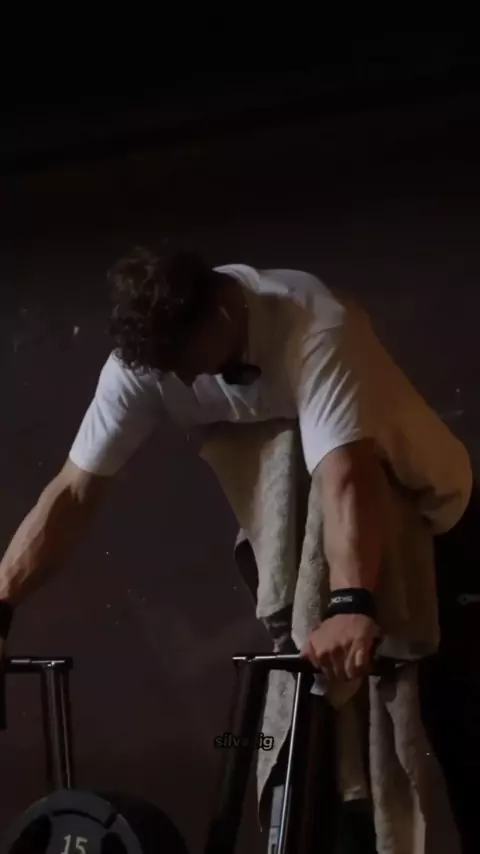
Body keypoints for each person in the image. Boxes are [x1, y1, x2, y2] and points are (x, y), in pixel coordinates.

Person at [0, 244, 478, 849]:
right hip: (321, 546)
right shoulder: (151, 359)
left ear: (223, 313)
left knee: (453, 728)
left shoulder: (315, 324)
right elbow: (73, 493)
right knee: (325, 761)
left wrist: (351, 602)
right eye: (166, 371)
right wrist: (1, 607)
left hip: (434, 520)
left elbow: (347, 476)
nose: (182, 382)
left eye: (186, 364)